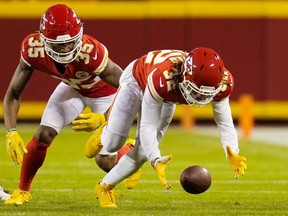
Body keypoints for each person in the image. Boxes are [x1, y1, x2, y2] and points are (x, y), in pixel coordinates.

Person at [74, 47, 248, 207]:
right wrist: (156, 159)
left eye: (206, 94)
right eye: (195, 91)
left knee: (142, 153)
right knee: (113, 144)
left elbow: (224, 121)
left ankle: (105, 187)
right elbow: (147, 125)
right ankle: (105, 131)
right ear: (184, 77)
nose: (199, 98)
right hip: (137, 80)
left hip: (167, 96)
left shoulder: (223, 83)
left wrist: (232, 151)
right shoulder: (164, 78)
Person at [3, 4, 140, 205]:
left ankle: (130, 151)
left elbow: (129, 87)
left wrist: (105, 118)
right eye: (59, 45)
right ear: (43, 39)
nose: (66, 48)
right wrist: (11, 131)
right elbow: (13, 93)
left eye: (70, 43)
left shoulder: (91, 51)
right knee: (43, 134)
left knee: (105, 161)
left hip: (106, 95)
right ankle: (22, 191)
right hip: (73, 88)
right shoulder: (33, 49)